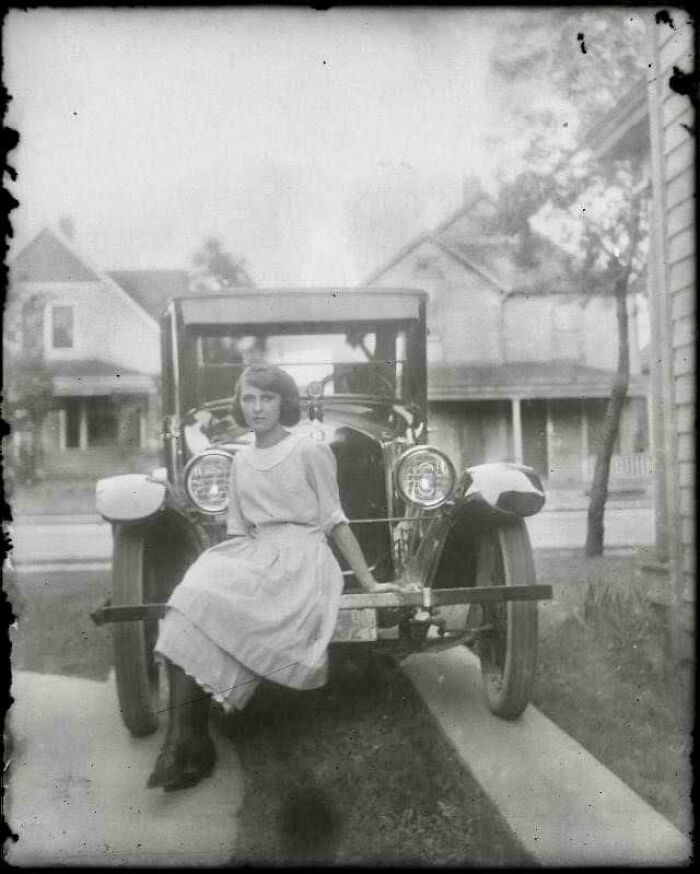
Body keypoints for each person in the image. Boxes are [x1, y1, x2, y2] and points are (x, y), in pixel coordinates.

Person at [148, 363, 403, 792]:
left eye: (266, 398)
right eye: (249, 398)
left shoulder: (308, 450)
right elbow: (236, 530)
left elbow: (335, 521)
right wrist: (233, 570)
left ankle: (183, 747)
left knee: (204, 597)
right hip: (255, 551)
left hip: (303, 560)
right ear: (239, 403)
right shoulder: (241, 459)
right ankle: (187, 740)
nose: (257, 408)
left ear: (283, 402)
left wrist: (372, 584)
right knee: (190, 598)